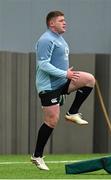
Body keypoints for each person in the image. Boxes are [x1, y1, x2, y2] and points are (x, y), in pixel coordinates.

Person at [31, 10, 95, 170]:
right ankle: (37, 156)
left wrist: (66, 73)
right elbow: (43, 64)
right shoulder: (46, 39)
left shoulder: (60, 39)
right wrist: (65, 73)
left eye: (64, 20)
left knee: (89, 80)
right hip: (49, 87)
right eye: (61, 20)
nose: (64, 22)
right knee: (51, 121)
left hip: (62, 81)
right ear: (51, 23)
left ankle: (72, 112)